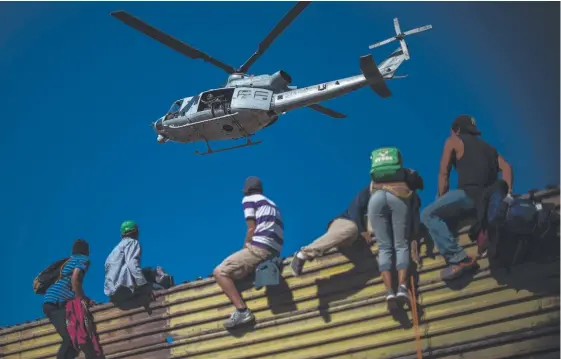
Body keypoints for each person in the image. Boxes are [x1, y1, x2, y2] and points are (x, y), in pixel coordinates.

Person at [421, 115, 513, 281]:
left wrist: (440, 199)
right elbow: (507, 167)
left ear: (456, 130)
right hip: (486, 200)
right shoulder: (490, 149)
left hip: (468, 195)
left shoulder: (453, 141)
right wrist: (507, 195)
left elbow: (444, 174)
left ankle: (458, 259)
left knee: (428, 214)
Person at [213, 177, 283, 329]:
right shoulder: (272, 204)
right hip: (274, 250)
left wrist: (246, 248)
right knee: (237, 271)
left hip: (260, 247)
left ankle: (242, 311)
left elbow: (251, 228)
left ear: (246, 190)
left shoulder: (249, 199)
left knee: (220, 272)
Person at [368, 163, 424, 306]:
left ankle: (389, 292)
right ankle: (402, 288)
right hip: (399, 196)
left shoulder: (377, 182)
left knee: (384, 247)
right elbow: (415, 225)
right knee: (401, 244)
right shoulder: (411, 193)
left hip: (375, 200)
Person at [290, 185, 373, 277]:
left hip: (356, 241)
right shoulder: (370, 191)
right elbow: (355, 210)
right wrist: (363, 232)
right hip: (346, 223)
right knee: (352, 229)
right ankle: (303, 254)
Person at [43, 239, 93, 359]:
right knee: (70, 338)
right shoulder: (83, 260)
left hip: (53, 302)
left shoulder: (69, 261)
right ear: (86, 251)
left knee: (74, 339)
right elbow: (75, 279)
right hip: (55, 303)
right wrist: (83, 298)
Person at [104, 221, 162, 309]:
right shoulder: (132, 242)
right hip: (124, 287)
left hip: (112, 293)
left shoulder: (113, 252)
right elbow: (132, 264)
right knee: (159, 288)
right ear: (136, 232)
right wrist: (143, 285)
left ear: (122, 235)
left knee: (145, 271)